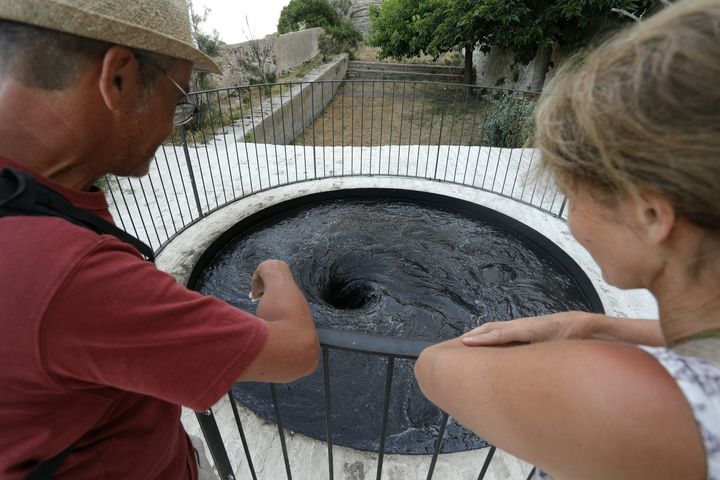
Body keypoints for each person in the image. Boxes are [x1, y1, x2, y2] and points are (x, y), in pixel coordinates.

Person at [0, 1, 319, 479]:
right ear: (120, 79)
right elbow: (295, 351)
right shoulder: (73, 276)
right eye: (179, 97)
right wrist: (276, 270)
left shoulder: (32, 205)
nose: (173, 126)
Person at [415, 1, 720, 479]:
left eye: (572, 195)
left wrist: (576, 351)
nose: (572, 222)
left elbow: (434, 367)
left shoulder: (630, 405)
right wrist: (591, 325)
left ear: (649, 213)